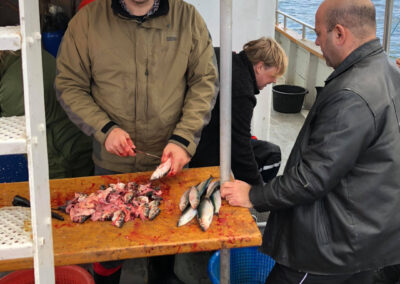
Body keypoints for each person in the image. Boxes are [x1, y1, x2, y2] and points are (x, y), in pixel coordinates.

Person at [221, 0, 400, 283]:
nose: (315, 42)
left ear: (339, 33)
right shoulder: (390, 73)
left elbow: (313, 178)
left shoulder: (351, 95)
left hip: (330, 248)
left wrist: (255, 196)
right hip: (371, 238)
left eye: (319, 34)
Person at [55, 0, 219, 283]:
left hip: (170, 162)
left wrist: (183, 139)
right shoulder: (86, 22)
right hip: (113, 164)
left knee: (166, 243)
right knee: (109, 249)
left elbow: (204, 82)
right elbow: (69, 84)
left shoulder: (187, 18)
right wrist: (105, 128)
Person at [190, 38, 287, 186]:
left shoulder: (222, 55)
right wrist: (259, 192)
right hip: (202, 154)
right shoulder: (241, 91)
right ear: (260, 67)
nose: (274, 81)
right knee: (272, 154)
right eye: (273, 75)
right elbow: (240, 149)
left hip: (191, 136)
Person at [0, 49, 93, 179]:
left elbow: (44, 150)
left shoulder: (15, 87)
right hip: (78, 143)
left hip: (64, 157)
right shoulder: (25, 53)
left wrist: (52, 188)